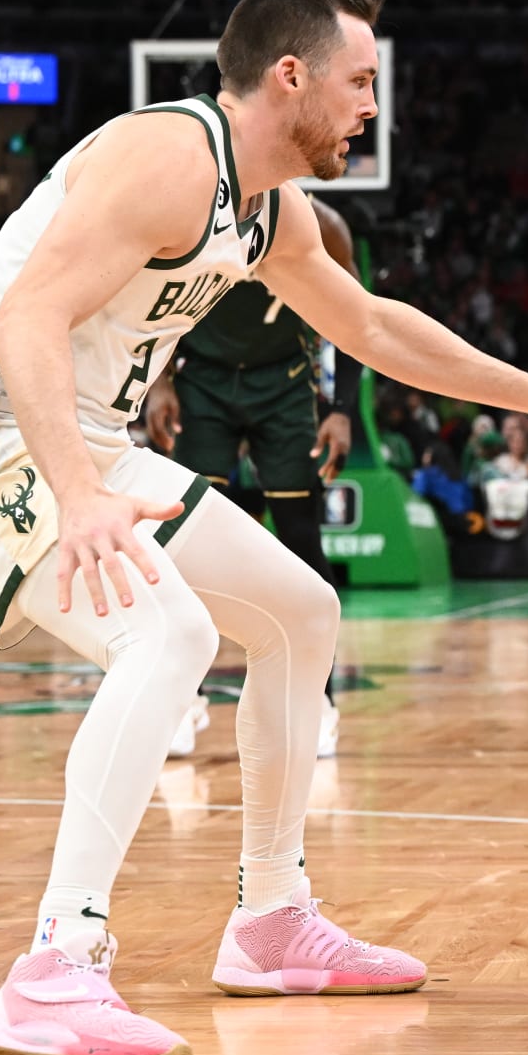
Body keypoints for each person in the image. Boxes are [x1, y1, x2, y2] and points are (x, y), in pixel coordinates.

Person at [0, 0, 528, 1055]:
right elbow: (30, 313)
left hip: (86, 432)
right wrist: (79, 496)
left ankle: (271, 922)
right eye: (360, 82)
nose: (374, 107)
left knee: (297, 610)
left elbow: (370, 324)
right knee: (165, 636)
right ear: (290, 75)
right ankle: (55, 967)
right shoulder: (168, 156)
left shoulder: (267, 209)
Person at [143, 195, 362, 761]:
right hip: (203, 381)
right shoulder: (191, 214)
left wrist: (340, 408)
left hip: (286, 384)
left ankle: (318, 702)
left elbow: (353, 324)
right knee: (184, 543)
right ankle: (180, 699)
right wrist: (159, 381)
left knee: (301, 540)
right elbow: (155, 302)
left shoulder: (326, 226)